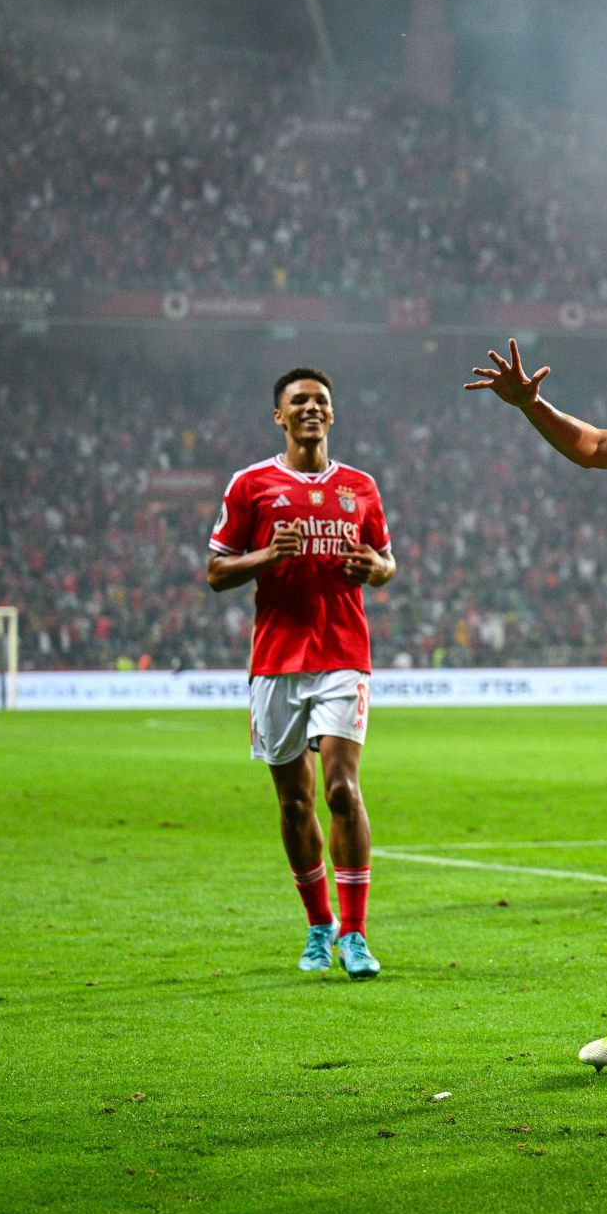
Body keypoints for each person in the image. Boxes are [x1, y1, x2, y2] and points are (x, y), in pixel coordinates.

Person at [207, 366, 396, 980]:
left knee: (342, 790)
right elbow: (216, 570)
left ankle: (355, 932)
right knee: (294, 802)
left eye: (320, 401)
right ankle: (317, 925)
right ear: (280, 417)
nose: (311, 409)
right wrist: (267, 554)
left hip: (344, 655)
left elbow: (386, 562)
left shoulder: (361, 487)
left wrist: (376, 568)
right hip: (277, 662)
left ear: (332, 415)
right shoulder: (251, 485)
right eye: (299, 402)